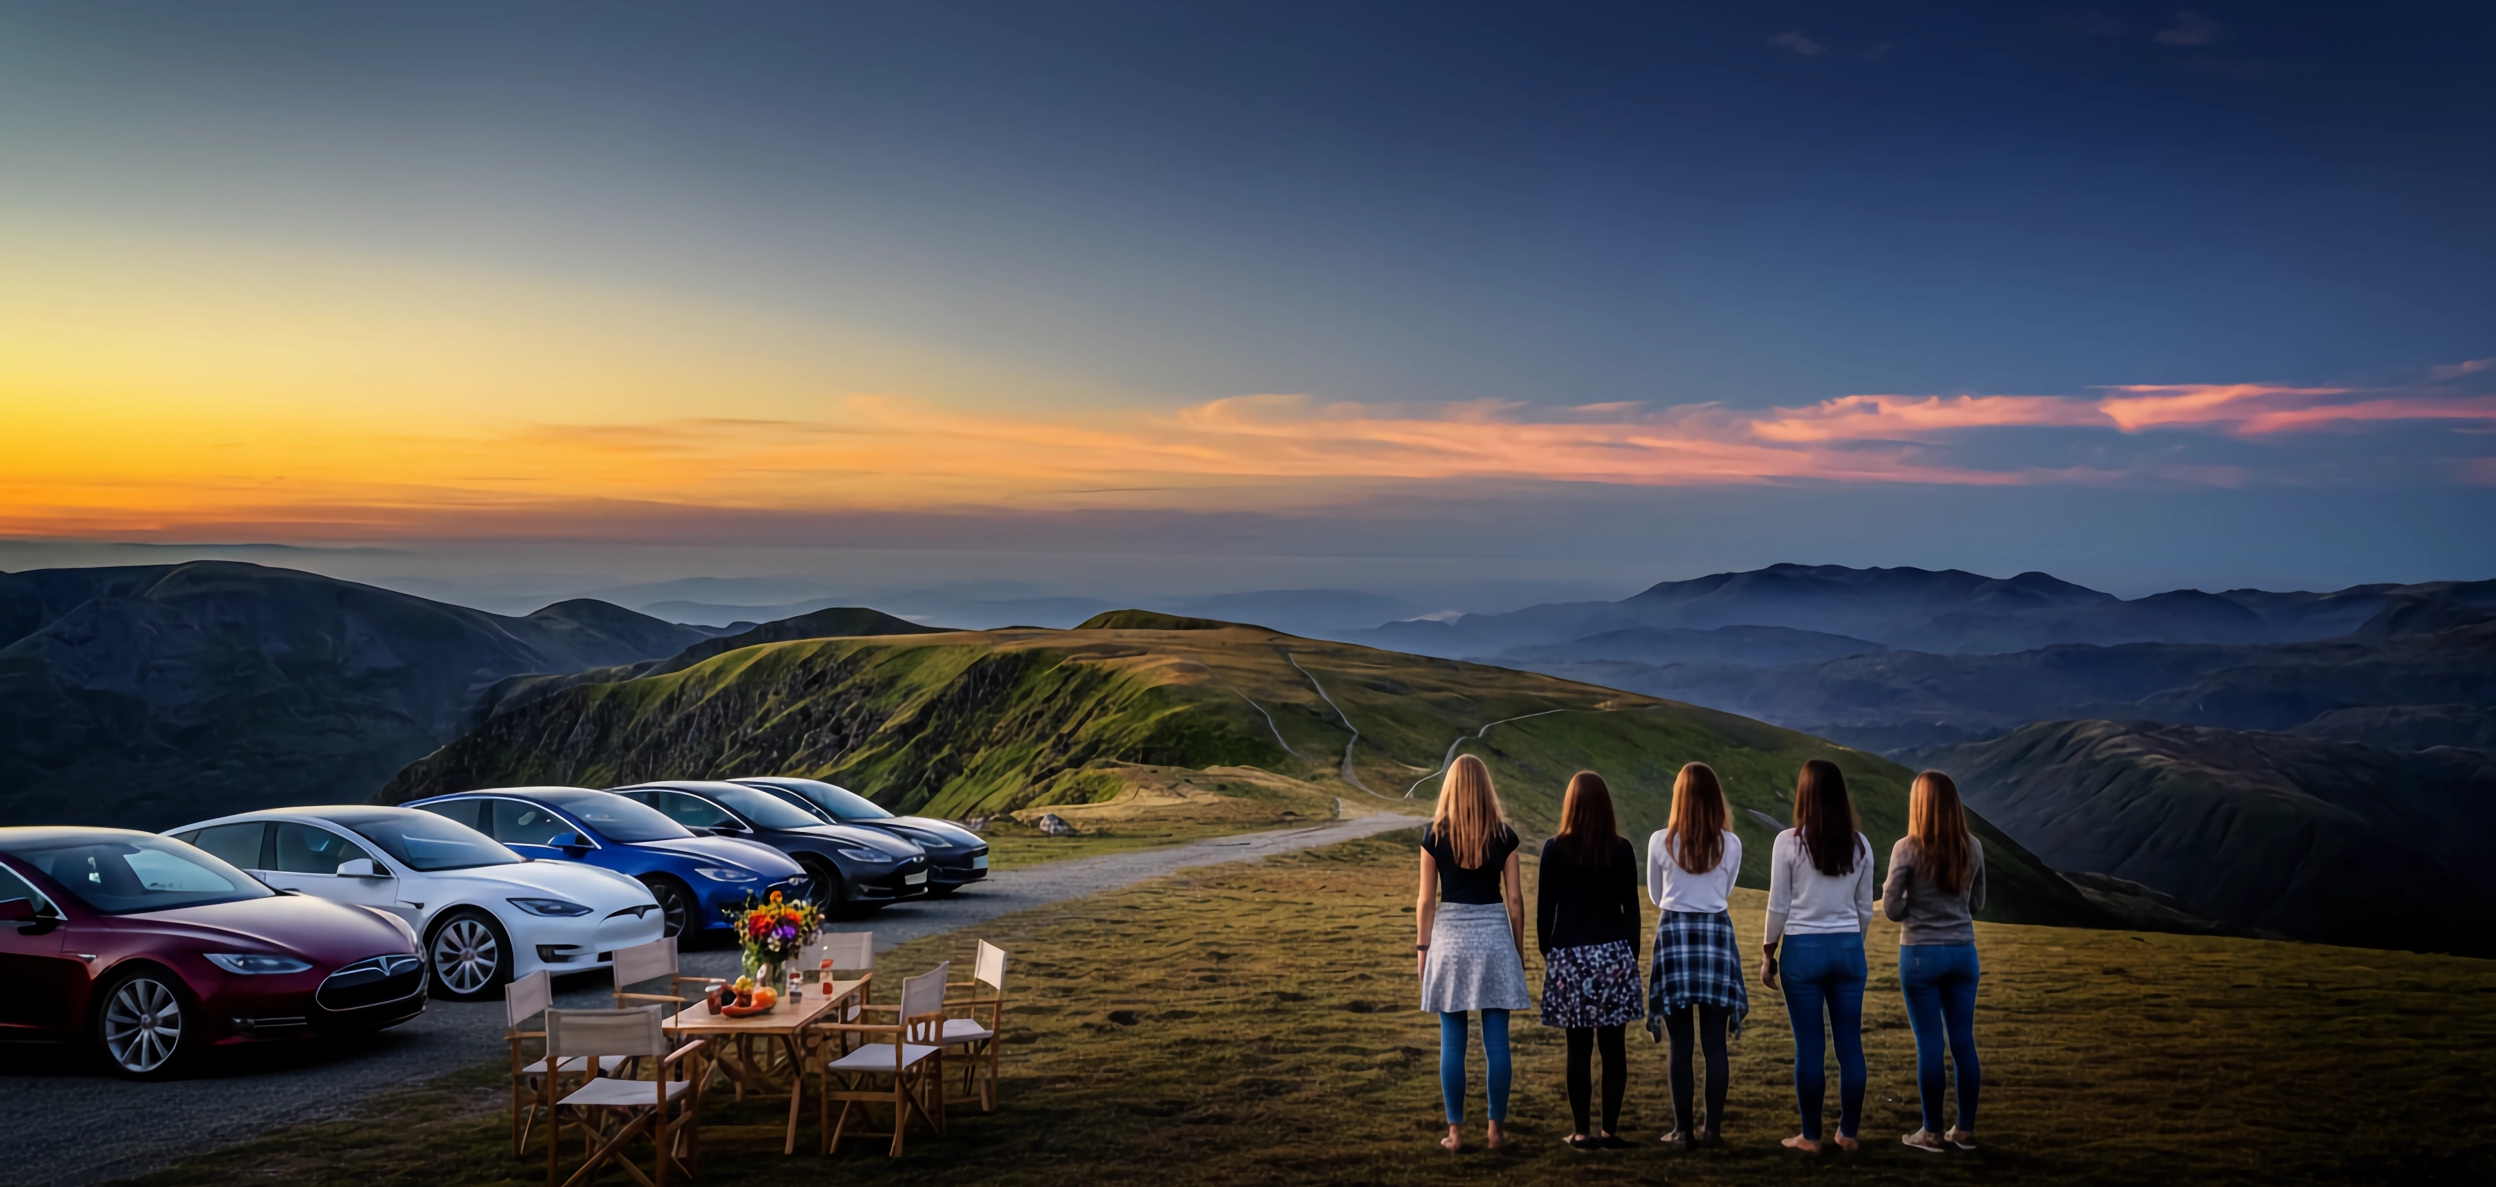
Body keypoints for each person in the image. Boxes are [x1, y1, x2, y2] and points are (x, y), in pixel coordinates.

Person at [1415, 753, 1529, 1151]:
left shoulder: (1433, 835)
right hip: (1494, 937)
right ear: (1486, 787)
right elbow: (1514, 900)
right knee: (1497, 1041)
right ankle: (1495, 1131)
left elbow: (1426, 901)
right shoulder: (1505, 836)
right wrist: (1518, 948)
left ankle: (1456, 1133)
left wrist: (1422, 949)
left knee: (1453, 1040)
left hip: (1449, 940)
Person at [1761, 758, 1875, 1153]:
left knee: (1809, 1047)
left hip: (1802, 951)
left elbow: (1779, 904)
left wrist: (1768, 951)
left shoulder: (1788, 843)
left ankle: (1810, 1136)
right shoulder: (1860, 845)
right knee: (1850, 1046)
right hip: (1847, 948)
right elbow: (1865, 909)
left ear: (1804, 794)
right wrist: (1852, 945)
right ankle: (1849, 1132)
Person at [1535, 771, 1643, 1152]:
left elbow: (1544, 911)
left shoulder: (1554, 848)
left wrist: (1551, 952)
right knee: (1614, 1049)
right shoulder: (1622, 848)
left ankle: (1581, 1133)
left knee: (1577, 1050)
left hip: (1569, 956)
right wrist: (1630, 953)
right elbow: (1631, 908)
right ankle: (1611, 1132)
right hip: (1614, 954)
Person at [1644, 761, 1748, 1150]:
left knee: (1680, 1043)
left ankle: (1682, 1131)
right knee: (1715, 1043)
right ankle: (1713, 1131)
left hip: (1674, 935)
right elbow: (1726, 891)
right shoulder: (1731, 843)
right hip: (1716, 935)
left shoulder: (1659, 842)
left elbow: (1656, 897)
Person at [1886, 770, 1986, 1153]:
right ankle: (1964, 1131)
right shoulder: (1972, 847)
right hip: (1963, 951)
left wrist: (1916, 901)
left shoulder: (1907, 848)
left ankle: (1930, 1132)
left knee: (1930, 1042)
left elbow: (1893, 910)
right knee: (1963, 1041)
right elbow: (1976, 904)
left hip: (1920, 954)